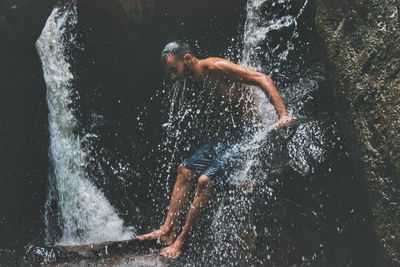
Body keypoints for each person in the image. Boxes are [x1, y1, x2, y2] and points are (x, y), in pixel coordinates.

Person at [137, 41, 295, 258]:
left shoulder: (215, 66)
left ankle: (180, 243)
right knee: (185, 170)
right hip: (234, 132)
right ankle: (167, 231)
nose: (173, 77)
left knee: (205, 181)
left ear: (188, 59)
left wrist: (283, 116)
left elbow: (263, 78)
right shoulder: (195, 78)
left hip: (253, 132)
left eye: (174, 70)